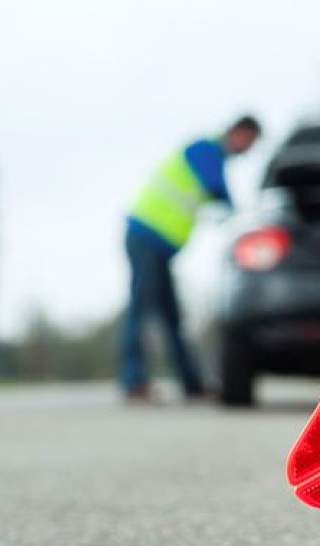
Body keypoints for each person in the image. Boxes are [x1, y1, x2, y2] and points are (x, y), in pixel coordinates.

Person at [120, 115, 262, 401]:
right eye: (249, 142)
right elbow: (217, 188)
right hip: (146, 235)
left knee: (171, 316)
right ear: (238, 132)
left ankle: (191, 383)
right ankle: (133, 380)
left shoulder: (211, 155)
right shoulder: (205, 149)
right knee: (141, 308)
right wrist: (243, 216)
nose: (248, 150)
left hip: (158, 244)